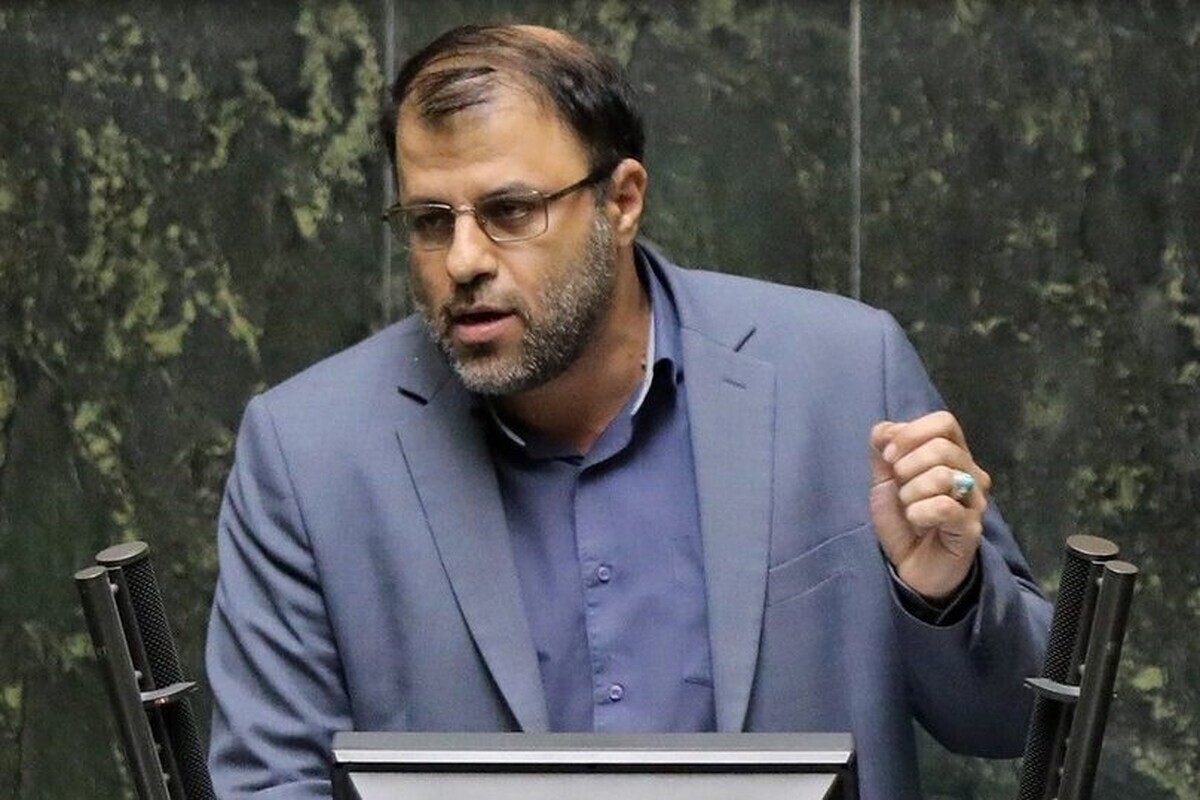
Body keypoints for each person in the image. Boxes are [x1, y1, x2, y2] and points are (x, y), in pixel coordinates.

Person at [206, 23, 1051, 800]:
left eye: (510, 212)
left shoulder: (845, 375)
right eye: (431, 220)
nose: (463, 260)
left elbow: (1017, 720)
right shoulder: (307, 453)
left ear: (622, 201)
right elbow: (270, 782)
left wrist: (944, 593)